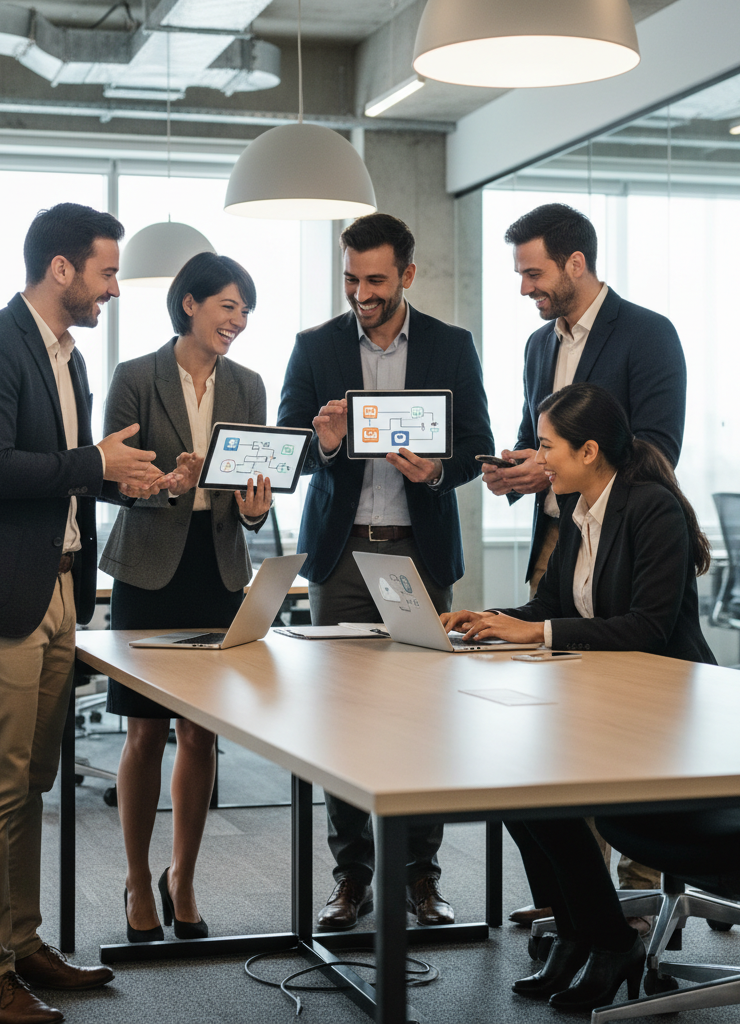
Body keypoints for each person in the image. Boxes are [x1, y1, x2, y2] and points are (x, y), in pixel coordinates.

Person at [0, 203, 169, 1024]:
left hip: (60, 587)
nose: (114, 287)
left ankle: (21, 944)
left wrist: (119, 478)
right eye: (106, 270)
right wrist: (90, 462)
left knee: (34, 779)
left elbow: (60, 468)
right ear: (60, 269)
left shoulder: (67, 358)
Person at [444, 381, 716, 1012]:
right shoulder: (575, 512)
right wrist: (484, 618)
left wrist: (534, 630)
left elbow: (648, 628)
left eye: (547, 447)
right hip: (606, 700)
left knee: (545, 796)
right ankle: (580, 933)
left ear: (589, 451)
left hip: (667, 709)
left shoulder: (651, 509)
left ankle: (607, 940)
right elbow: (551, 608)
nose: (537, 460)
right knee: (514, 789)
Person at [278, 212, 493, 931]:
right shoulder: (314, 349)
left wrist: (438, 470)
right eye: (350, 279)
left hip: (417, 553)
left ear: (407, 273)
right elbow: (290, 453)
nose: (361, 293)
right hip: (341, 558)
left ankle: (421, 880)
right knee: (340, 726)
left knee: (422, 725)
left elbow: (478, 449)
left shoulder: (450, 347)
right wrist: (327, 443)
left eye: (375, 280)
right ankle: (351, 880)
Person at [481, 202, 686, 921]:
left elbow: (654, 442)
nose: (524, 288)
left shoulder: (646, 335)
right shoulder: (542, 345)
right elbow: (538, 439)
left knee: (605, 736)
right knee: (557, 736)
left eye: (532, 272)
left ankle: (628, 894)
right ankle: (582, 902)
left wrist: (558, 470)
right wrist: (516, 471)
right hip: (563, 537)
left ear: (575, 263)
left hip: (627, 541)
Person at [100, 252, 272, 943]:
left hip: (219, 570)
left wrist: (256, 508)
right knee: (145, 731)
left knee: (201, 732)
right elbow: (110, 478)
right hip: (149, 569)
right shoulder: (135, 377)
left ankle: (184, 877)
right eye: (229, 306)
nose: (238, 321)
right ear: (191, 304)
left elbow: (255, 488)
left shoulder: (250, 385)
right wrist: (162, 485)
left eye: (246, 312)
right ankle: (139, 880)